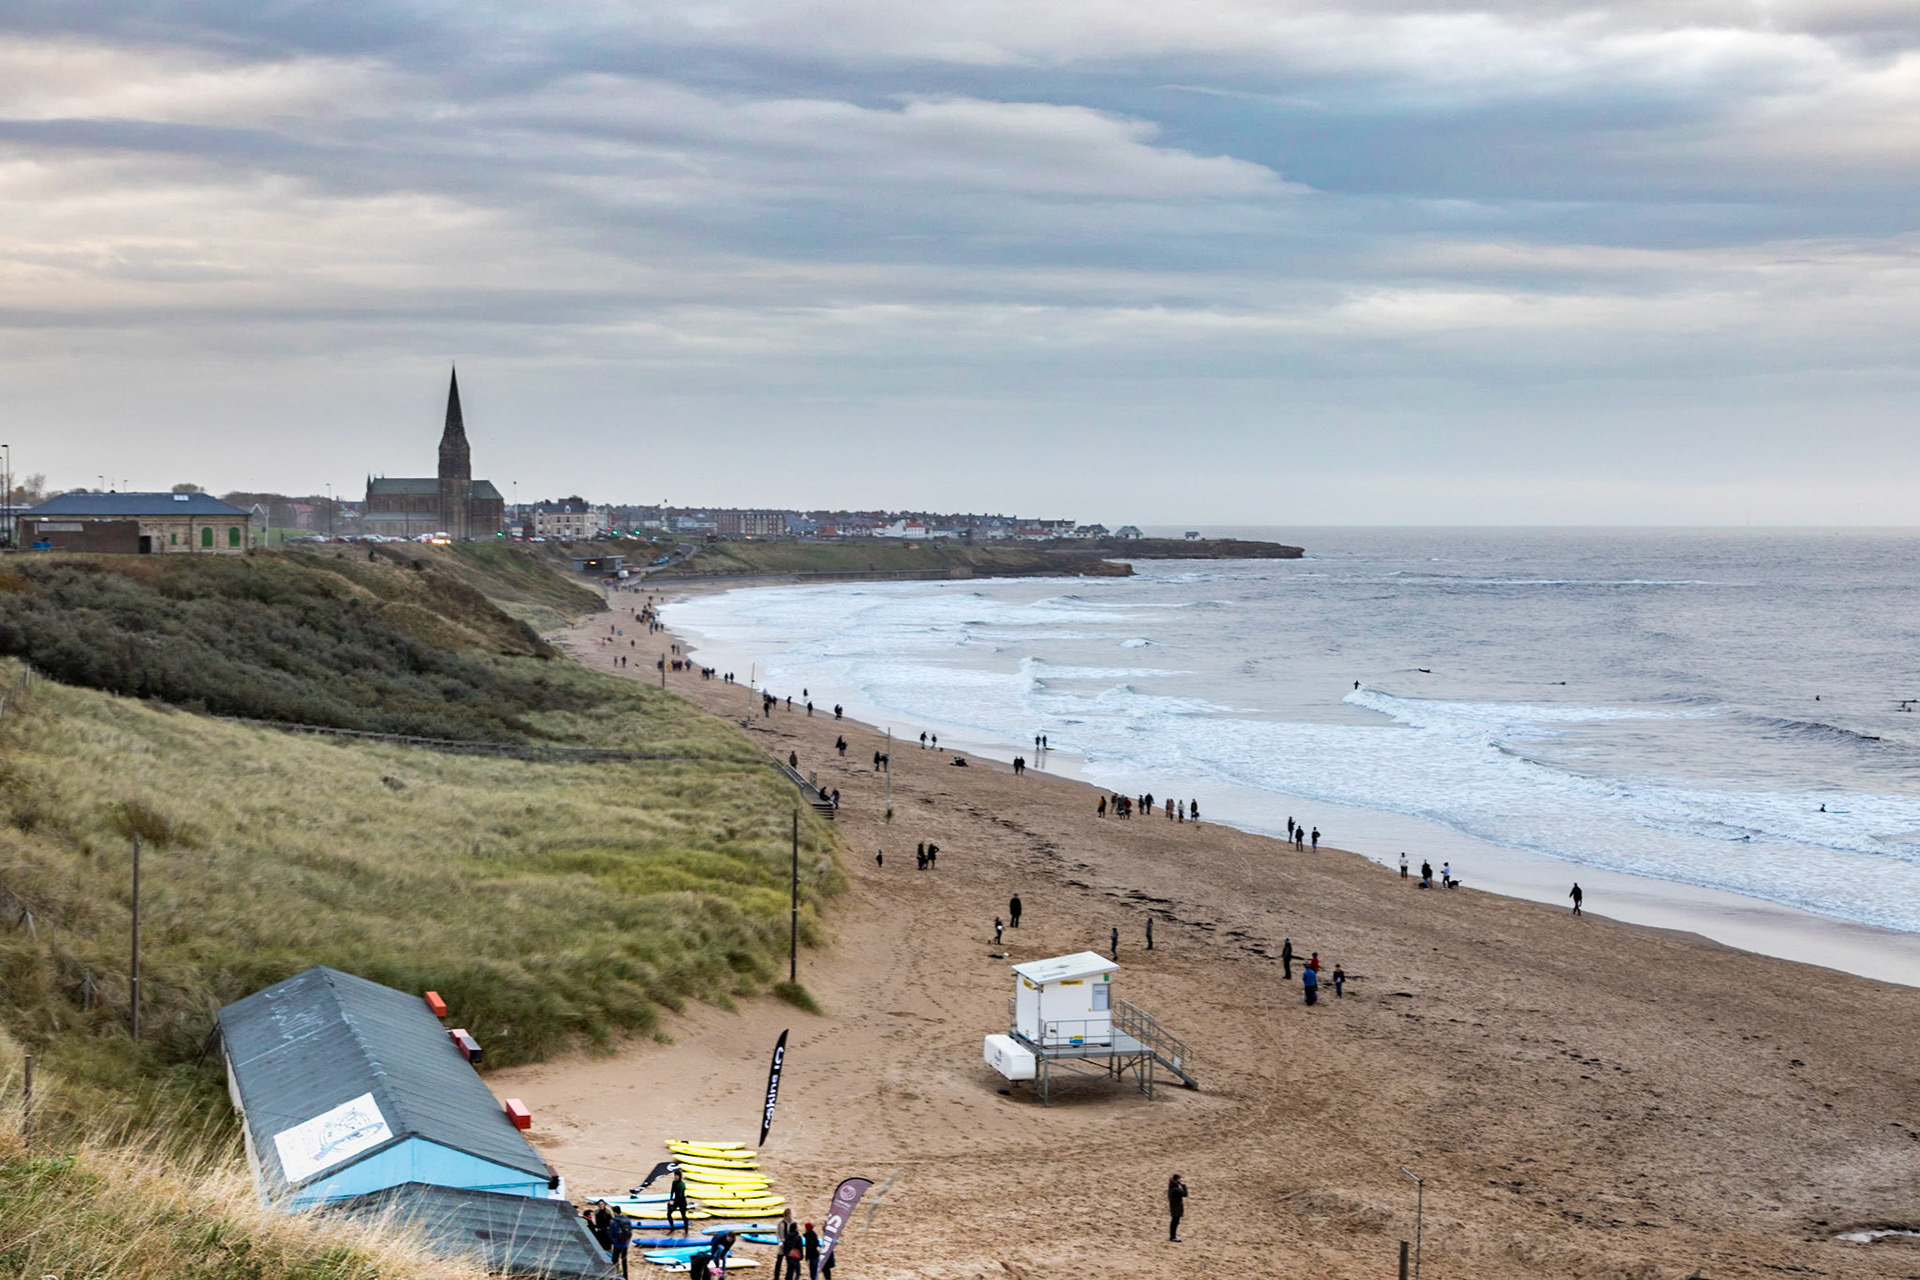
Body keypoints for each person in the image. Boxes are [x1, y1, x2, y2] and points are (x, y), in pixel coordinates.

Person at [607, 1209, 634, 1278]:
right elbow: (630, 1230)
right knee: (624, 1260)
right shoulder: (627, 1220)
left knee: (615, 1259)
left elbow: (611, 1232)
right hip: (625, 1243)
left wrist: (611, 1241)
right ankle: (625, 1276)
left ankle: (616, 1275)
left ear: (615, 1212)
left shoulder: (613, 1221)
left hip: (617, 1243)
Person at [1167, 1174, 1189, 1242]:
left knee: (1175, 1221)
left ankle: (1173, 1236)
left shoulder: (1172, 1187)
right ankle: (1173, 1237)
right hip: (1176, 1207)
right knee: (1175, 1222)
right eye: (1179, 1179)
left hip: (1174, 1206)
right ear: (1176, 1180)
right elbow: (1185, 1194)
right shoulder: (1175, 1189)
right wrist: (1183, 1185)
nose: (1181, 1181)